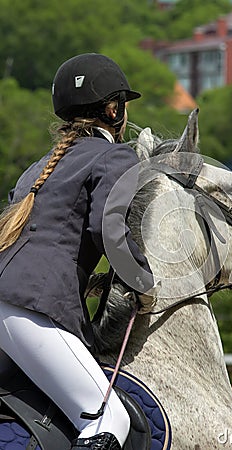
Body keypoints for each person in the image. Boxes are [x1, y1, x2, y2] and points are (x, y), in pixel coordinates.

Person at [0, 53, 155, 450]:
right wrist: (144, 284)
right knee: (108, 420)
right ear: (112, 108)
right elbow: (111, 231)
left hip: (11, 299)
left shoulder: (38, 165)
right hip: (30, 308)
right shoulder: (114, 156)